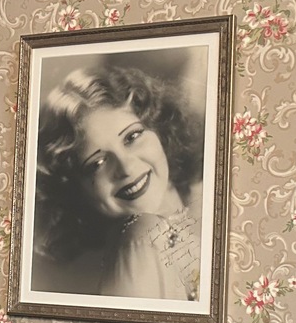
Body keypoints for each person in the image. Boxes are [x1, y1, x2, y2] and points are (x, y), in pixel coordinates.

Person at [32, 64, 204, 300]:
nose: (126, 167)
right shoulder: (139, 239)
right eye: (97, 163)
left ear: (160, 130)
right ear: (75, 190)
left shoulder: (210, 201)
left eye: (132, 136)